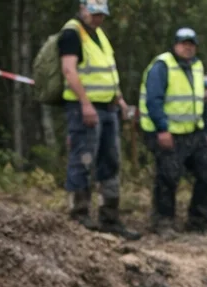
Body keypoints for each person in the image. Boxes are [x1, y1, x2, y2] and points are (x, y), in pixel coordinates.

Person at [58, 0, 139, 237]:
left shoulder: (99, 35)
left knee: (110, 161)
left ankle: (109, 217)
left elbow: (108, 73)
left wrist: (120, 100)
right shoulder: (72, 33)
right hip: (84, 108)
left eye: (102, 14)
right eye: (94, 13)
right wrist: (85, 104)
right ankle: (79, 214)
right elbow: (69, 70)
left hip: (108, 108)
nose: (98, 18)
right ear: (82, 9)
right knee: (83, 159)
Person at [140, 27, 207, 234]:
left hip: (194, 133)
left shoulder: (197, 67)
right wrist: (162, 130)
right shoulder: (162, 66)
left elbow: (205, 103)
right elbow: (153, 101)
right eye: (184, 43)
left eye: (191, 44)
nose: (188, 48)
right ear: (175, 45)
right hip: (168, 133)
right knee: (168, 176)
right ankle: (163, 222)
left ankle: (198, 223)